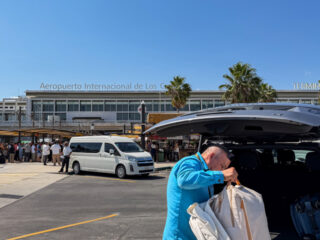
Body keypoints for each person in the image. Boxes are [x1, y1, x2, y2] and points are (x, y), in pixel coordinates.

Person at [162, 145, 238, 240]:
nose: (222, 170)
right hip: (179, 236)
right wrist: (221, 175)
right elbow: (184, 179)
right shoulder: (190, 162)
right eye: (222, 166)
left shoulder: (206, 173)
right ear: (211, 156)